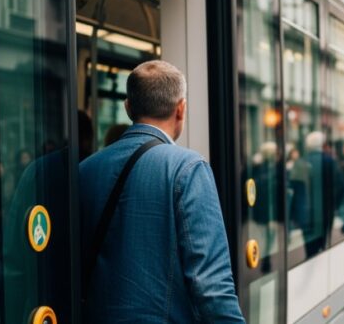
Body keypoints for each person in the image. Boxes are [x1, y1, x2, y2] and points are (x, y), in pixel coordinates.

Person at [78, 60, 244, 322]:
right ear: (181, 109)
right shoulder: (188, 168)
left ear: (128, 107)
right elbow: (211, 285)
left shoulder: (85, 170)